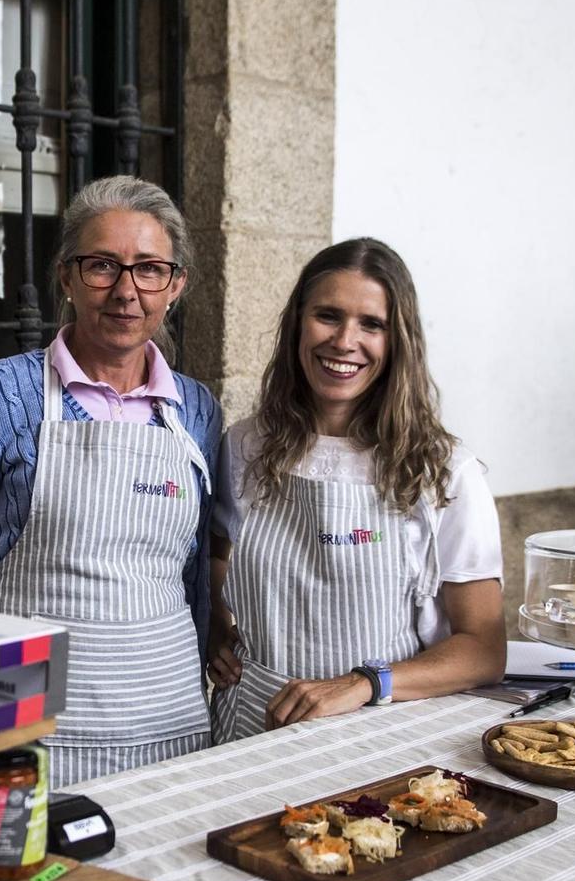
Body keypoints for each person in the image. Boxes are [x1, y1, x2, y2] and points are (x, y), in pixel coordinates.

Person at [0, 176, 222, 787]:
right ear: (67, 277)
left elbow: (193, 572)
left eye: (150, 269)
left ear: (176, 285)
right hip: (27, 723)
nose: (126, 291)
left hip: (169, 718)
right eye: (102, 266)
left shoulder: (196, 408)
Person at [207, 237, 505, 738]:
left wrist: (364, 683)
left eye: (372, 324)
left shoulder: (443, 471)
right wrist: (216, 620)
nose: (345, 341)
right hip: (249, 728)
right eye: (328, 315)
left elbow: (483, 650)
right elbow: (218, 551)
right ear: (298, 322)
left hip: (377, 734)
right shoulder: (245, 444)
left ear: (398, 342)